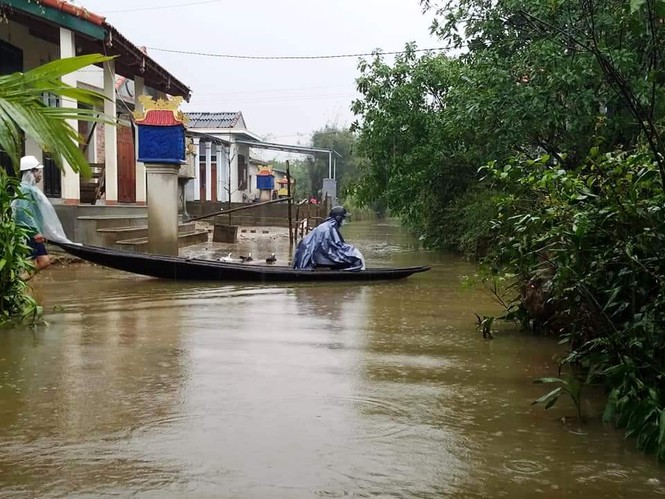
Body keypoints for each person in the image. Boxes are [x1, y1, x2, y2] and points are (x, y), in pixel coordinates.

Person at [12, 155, 70, 274]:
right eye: (38, 171)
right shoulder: (25, 189)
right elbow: (23, 211)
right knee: (40, 261)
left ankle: (24, 287)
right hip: (28, 233)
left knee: (39, 261)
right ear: (30, 172)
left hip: (32, 232)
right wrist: (35, 232)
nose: (40, 174)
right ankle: (19, 285)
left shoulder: (29, 188)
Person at [292, 205, 365, 271]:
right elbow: (334, 249)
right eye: (344, 218)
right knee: (355, 257)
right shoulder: (330, 228)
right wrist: (353, 253)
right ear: (339, 218)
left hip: (308, 259)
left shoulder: (325, 226)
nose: (344, 221)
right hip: (317, 261)